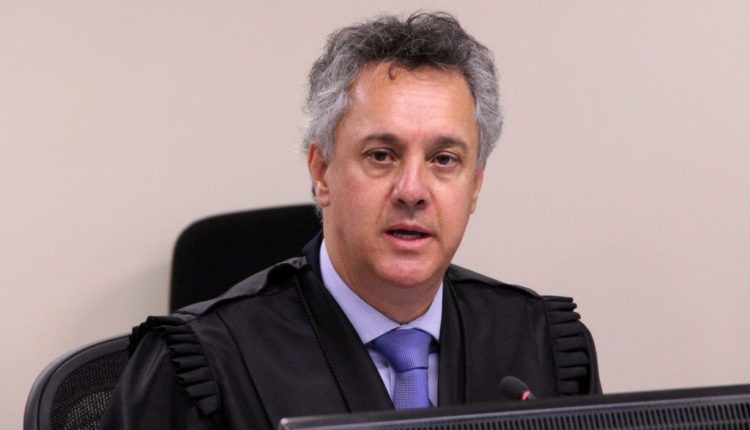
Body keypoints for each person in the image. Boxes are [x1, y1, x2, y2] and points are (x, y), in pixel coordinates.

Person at [101, 12, 601, 430]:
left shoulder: (543, 348)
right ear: (322, 172)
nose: (412, 191)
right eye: (382, 155)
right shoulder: (206, 366)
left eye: (444, 160)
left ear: (475, 185)